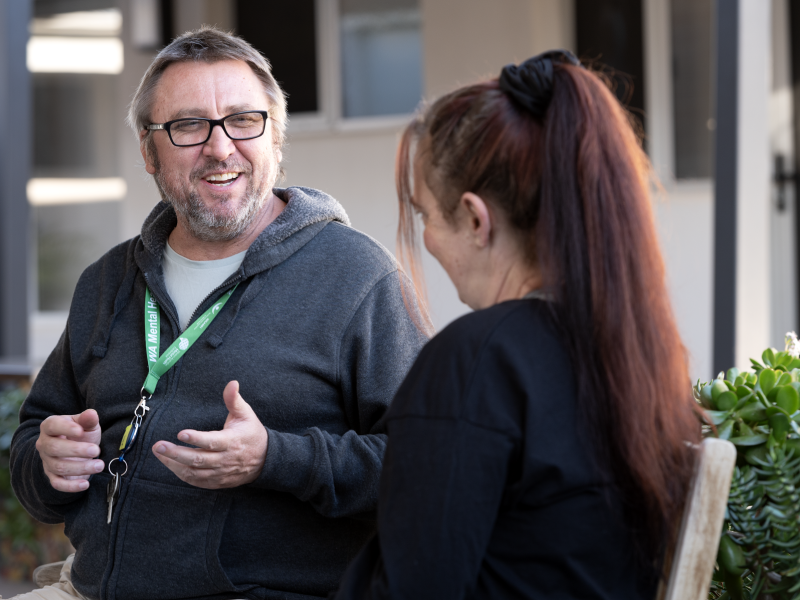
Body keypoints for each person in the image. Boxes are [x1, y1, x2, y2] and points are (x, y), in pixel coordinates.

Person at [10, 26, 429, 600]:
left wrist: (276, 458)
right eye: (188, 126)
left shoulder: (358, 277)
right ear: (147, 149)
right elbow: (34, 448)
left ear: (275, 138)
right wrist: (47, 461)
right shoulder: (106, 281)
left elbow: (426, 465)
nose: (221, 147)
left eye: (243, 120)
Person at [333, 51, 702, 599]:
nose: (426, 239)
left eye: (425, 214)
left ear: (477, 219)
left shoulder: (474, 364)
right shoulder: (642, 357)